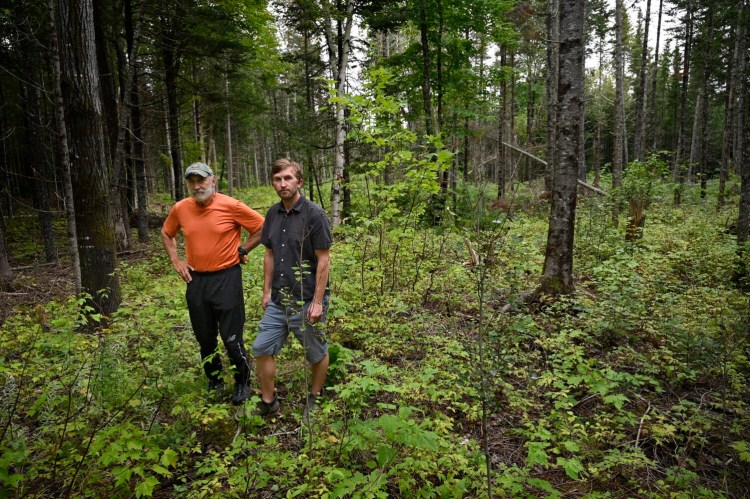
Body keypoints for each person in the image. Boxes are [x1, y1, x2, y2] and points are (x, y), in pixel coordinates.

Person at [161, 162, 264, 405]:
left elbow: (262, 227)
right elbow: (167, 233)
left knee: (231, 336)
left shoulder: (231, 205)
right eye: (192, 181)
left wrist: (243, 249)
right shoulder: (180, 208)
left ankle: (242, 381)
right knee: (205, 336)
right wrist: (176, 260)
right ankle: (215, 379)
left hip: (226, 277)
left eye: (201, 180)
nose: (197, 186)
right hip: (196, 279)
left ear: (213, 180)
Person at [253, 158, 332, 419]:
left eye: (288, 178)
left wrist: (317, 302)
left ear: (299, 182)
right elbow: (269, 254)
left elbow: (323, 259)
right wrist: (266, 291)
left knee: (316, 353)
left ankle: (315, 396)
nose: (283, 183)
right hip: (278, 297)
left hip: (307, 297)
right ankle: (268, 400)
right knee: (262, 348)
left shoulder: (315, 214)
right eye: (278, 179)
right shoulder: (272, 214)